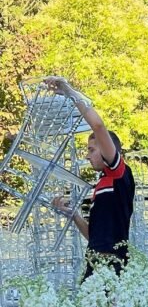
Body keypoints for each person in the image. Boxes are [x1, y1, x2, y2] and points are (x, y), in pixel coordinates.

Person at [46, 76, 135, 279]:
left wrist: (71, 93)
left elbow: (98, 126)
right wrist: (74, 215)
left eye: (91, 149)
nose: (87, 155)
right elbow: (93, 237)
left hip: (113, 267)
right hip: (95, 263)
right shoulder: (103, 183)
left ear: (109, 151)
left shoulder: (119, 173)